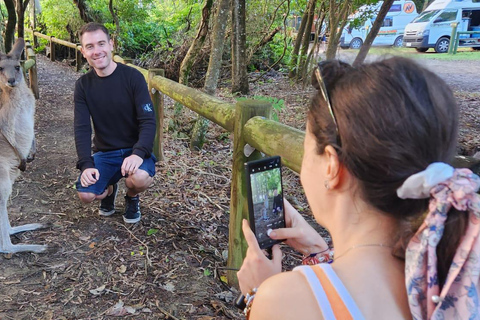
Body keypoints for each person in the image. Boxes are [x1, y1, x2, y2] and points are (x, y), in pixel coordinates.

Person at [237, 57, 480, 319]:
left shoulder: (286, 301)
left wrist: (256, 295)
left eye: (307, 150)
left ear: (331, 165)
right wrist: (320, 253)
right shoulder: (448, 275)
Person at [74, 22, 157, 224]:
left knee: (137, 178)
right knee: (85, 195)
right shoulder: (83, 85)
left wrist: (138, 153)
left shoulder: (133, 77)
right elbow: (82, 128)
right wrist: (86, 165)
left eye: (101, 43)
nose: (97, 51)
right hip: (106, 152)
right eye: (90, 46)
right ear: (83, 51)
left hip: (135, 150)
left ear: (111, 44)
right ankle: (109, 188)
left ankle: (131, 197)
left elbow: (148, 120)